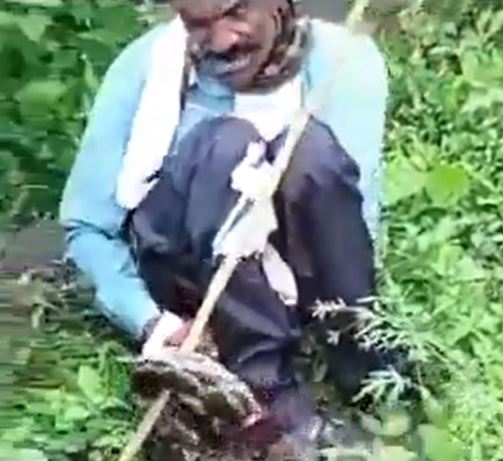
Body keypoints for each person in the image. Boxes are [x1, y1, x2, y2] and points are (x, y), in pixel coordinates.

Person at [59, 0, 394, 456]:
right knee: (228, 144)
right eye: (197, 23)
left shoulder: (343, 62)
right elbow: (87, 228)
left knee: (310, 149)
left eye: (235, 12)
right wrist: (149, 320)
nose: (219, 41)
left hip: (295, 273)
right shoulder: (147, 65)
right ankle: (268, 399)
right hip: (187, 276)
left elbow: (352, 221)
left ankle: (369, 376)